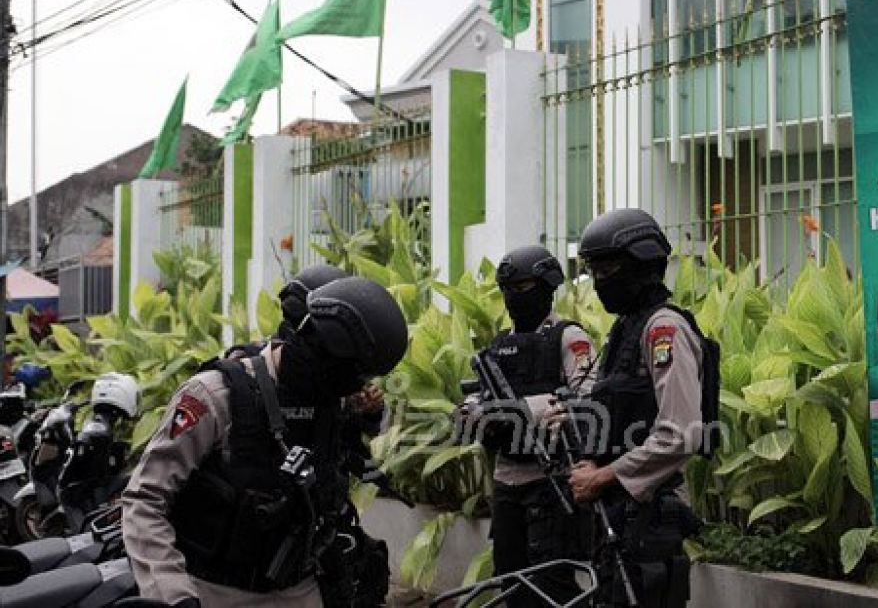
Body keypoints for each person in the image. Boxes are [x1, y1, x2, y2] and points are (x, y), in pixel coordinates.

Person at [121, 276, 408, 608]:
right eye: (348, 376)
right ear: (320, 348)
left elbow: (360, 442)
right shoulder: (216, 396)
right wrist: (172, 594)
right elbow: (145, 500)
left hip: (298, 589)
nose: (351, 388)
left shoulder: (330, 398)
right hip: (210, 591)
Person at [568, 208, 703, 608]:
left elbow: (681, 432)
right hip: (621, 514)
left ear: (641, 264)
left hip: (653, 515)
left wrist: (604, 476)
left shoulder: (664, 329)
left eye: (606, 268)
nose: (598, 281)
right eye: (593, 269)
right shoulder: (626, 329)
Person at [455, 245, 596, 606]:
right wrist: (474, 413)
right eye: (508, 289)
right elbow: (478, 402)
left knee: (552, 585)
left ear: (547, 286)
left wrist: (522, 411)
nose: (514, 296)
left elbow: (586, 398)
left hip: (551, 480)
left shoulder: (568, 338)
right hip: (507, 479)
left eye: (524, 286)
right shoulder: (500, 345)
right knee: (511, 582)